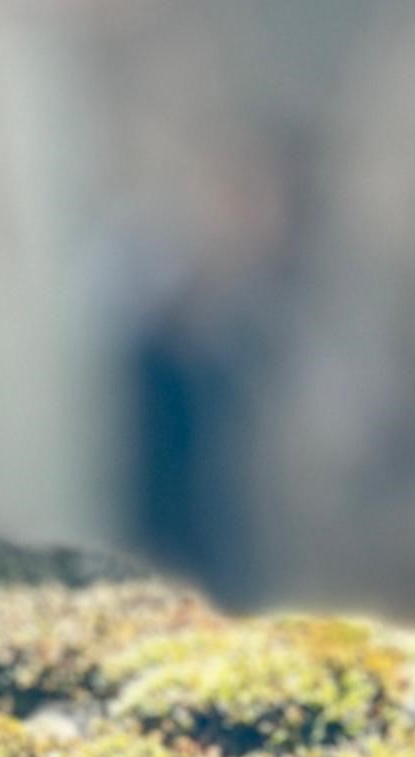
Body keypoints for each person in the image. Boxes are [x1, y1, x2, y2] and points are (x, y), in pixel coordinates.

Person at [122, 119, 321, 604]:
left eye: (254, 197)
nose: (238, 215)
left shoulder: (303, 312)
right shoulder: (164, 329)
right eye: (226, 196)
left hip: (298, 568)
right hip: (192, 576)